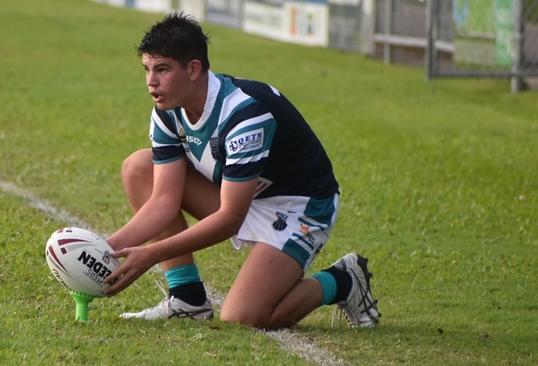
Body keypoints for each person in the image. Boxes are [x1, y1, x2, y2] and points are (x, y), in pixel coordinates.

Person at [104, 12, 380, 329]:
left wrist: (151, 254)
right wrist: (106, 249)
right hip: (241, 195)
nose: (151, 81)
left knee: (244, 317)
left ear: (193, 69)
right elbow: (163, 200)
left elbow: (229, 218)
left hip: (298, 207)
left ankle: (343, 281)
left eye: (162, 70)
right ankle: (187, 299)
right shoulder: (168, 110)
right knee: (141, 167)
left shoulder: (245, 114)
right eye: (147, 69)